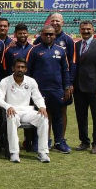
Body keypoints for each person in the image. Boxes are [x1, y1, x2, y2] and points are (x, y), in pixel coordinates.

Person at [26, 25, 73, 154]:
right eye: (46, 34)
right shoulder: (34, 50)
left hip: (57, 90)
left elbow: (66, 70)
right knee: (39, 116)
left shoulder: (61, 51)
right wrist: (29, 90)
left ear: (55, 35)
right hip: (39, 91)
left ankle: (59, 142)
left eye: (51, 34)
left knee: (58, 116)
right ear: (41, 34)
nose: (48, 36)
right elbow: (28, 71)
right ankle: (39, 142)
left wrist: (67, 86)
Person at [0, 58, 50, 163]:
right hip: (12, 111)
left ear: (26, 69)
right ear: (13, 68)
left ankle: (43, 152)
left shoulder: (31, 81)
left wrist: (42, 107)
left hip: (27, 111)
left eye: (22, 67)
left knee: (43, 117)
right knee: (11, 117)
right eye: (18, 67)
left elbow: (37, 97)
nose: (20, 69)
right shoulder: (5, 81)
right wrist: (8, 107)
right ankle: (14, 152)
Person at [34, 12, 76, 145]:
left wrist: (69, 84)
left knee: (61, 111)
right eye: (53, 20)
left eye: (58, 21)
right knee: (44, 111)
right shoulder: (40, 39)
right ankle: (46, 139)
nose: (55, 23)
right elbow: (30, 51)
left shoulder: (68, 40)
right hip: (43, 85)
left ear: (62, 23)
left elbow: (71, 63)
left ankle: (60, 139)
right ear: (49, 22)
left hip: (60, 84)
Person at [73, 21, 96, 154]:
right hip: (78, 88)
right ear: (80, 30)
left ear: (93, 30)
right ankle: (84, 141)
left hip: (94, 89)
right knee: (81, 116)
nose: (86, 31)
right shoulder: (76, 45)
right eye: (83, 29)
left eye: (88, 29)